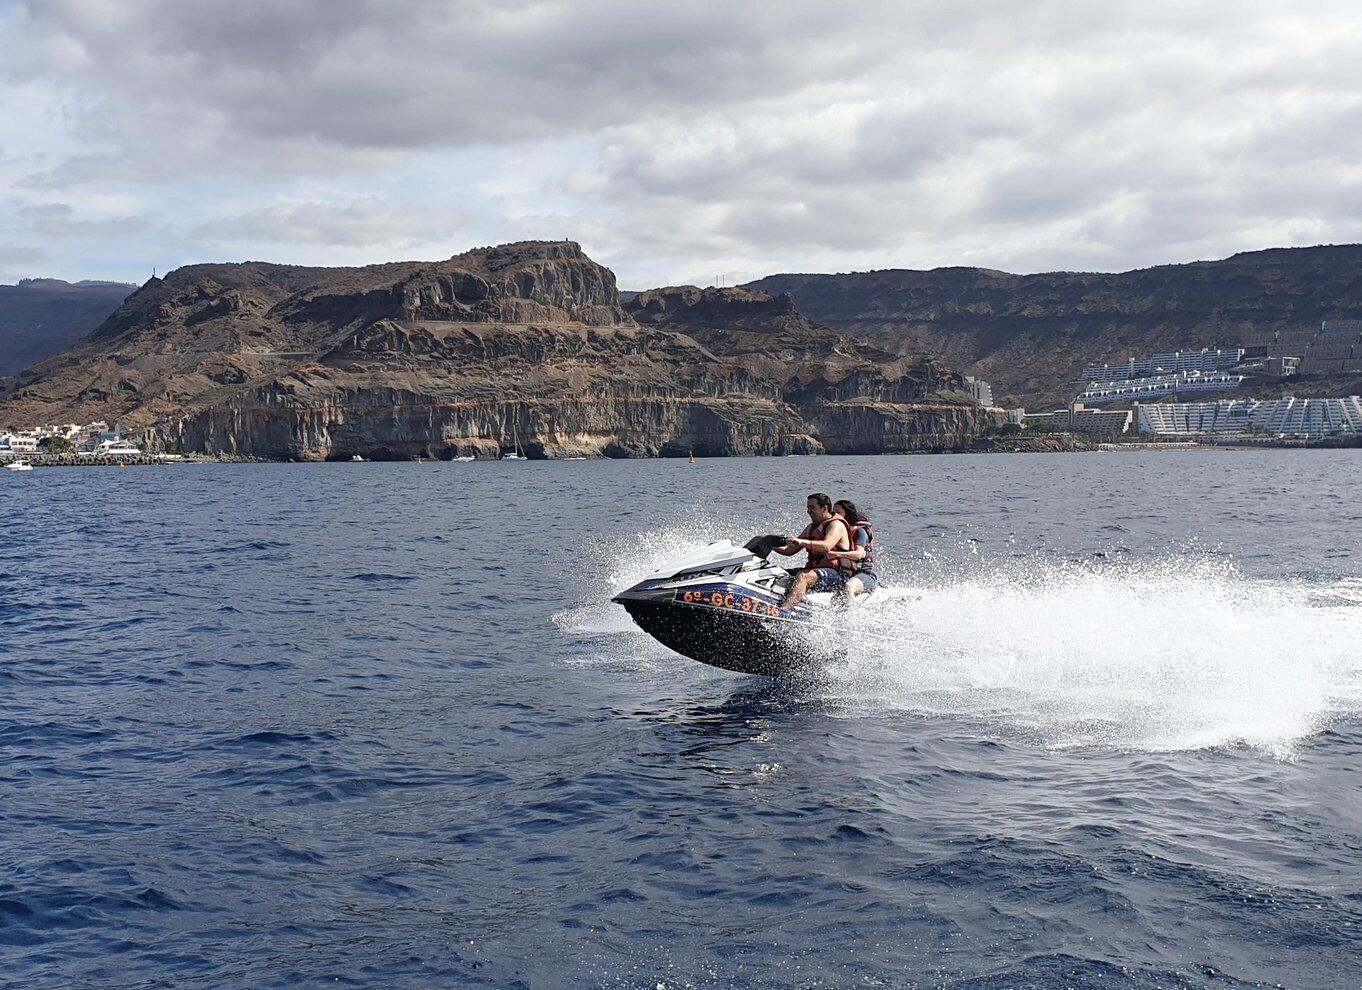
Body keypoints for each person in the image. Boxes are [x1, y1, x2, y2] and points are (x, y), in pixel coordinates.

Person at [773, 492, 851, 609]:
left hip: (838, 574)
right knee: (777, 573)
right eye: (808, 507)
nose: (808, 511)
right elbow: (789, 551)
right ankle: (770, 602)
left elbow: (826, 546)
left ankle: (785, 610)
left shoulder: (836, 525)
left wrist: (801, 541)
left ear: (824, 508)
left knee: (803, 576)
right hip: (816, 570)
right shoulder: (811, 527)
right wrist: (769, 544)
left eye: (812, 507)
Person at [833, 499, 879, 600]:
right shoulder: (835, 532)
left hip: (864, 575)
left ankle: (852, 615)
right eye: (833, 513)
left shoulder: (860, 532)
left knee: (848, 587)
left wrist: (836, 554)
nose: (835, 516)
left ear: (847, 515)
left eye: (838, 513)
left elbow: (859, 554)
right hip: (845, 574)